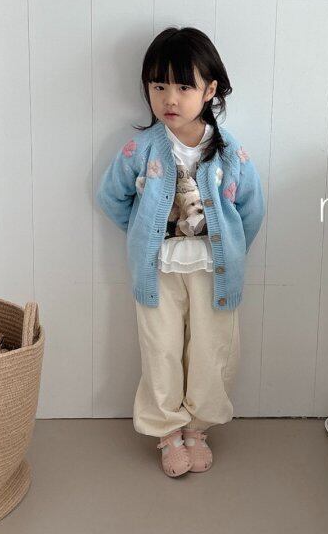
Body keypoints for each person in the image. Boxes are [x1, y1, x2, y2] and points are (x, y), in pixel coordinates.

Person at [96, 26, 265, 477]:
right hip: (158, 270)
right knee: (161, 349)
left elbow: (251, 209)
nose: (169, 98)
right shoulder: (140, 148)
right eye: (158, 86)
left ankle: (198, 428)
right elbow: (111, 196)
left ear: (209, 91)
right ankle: (168, 432)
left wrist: (229, 247)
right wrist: (144, 233)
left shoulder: (229, 153)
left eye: (184, 87)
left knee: (213, 349)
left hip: (214, 271)